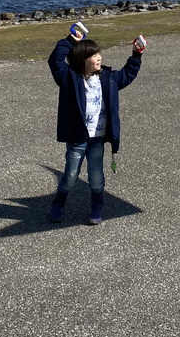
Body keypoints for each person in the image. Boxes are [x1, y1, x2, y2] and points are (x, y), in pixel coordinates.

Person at [47, 28, 145, 225]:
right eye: (93, 55)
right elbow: (55, 61)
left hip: (98, 138)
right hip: (77, 137)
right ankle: (58, 204)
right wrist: (69, 41)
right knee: (71, 176)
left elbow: (127, 75)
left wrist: (136, 54)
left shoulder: (108, 78)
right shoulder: (69, 78)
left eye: (99, 54)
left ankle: (97, 207)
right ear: (82, 58)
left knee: (96, 176)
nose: (99, 58)